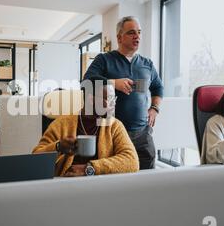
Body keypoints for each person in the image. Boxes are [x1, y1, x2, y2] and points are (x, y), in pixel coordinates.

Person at [83, 16, 164, 170]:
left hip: (142, 135)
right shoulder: (104, 60)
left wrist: (155, 108)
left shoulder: (147, 64)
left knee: (148, 180)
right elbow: (86, 82)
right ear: (120, 37)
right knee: (115, 179)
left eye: (139, 32)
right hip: (112, 134)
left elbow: (158, 87)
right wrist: (114, 83)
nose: (137, 36)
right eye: (132, 32)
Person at [32, 77, 139, 177]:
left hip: (102, 186)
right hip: (66, 185)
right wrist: (58, 146)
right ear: (91, 99)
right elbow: (35, 159)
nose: (114, 103)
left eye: (114, 98)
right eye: (109, 99)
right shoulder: (61, 124)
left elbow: (132, 161)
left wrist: (89, 168)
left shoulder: (114, 126)